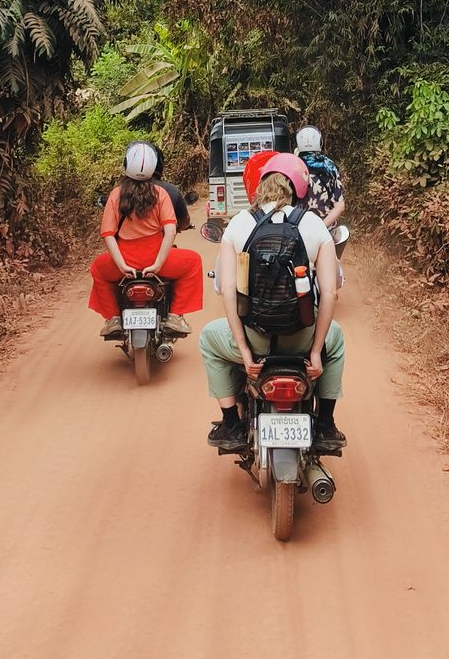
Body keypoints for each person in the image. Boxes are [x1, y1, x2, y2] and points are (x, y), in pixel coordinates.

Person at [199, 152, 346, 454]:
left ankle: (231, 424)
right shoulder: (314, 225)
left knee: (208, 339)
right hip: (302, 339)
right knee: (338, 340)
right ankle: (326, 425)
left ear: (260, 185)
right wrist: (316, 351)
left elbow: (227, 290)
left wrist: (243, 350)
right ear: (298, 189)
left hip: (255, 341)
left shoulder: (238, 224)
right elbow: (330, 292)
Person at [89, 142, 203, 340]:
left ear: (126, 164)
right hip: (157, 258)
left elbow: (108, 234)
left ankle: (114, 318)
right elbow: (170, 232)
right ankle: (175, 316)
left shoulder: (116, 195)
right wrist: (158, 263)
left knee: (98, 268)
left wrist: (122, 265)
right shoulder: (161, 194)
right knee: (194, 262)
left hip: (125, 259)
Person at [296, 125, 345, 230]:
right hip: (325, 229)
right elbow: (339, 206)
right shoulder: (329, 166)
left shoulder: (292, 165)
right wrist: (321, 228)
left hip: (297, 229)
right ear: (319, 142)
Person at [151, 143, 193, 232]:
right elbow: (184, 222)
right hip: (160, 244)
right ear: (160, 165)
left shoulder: (118, 192)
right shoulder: (170, 190)